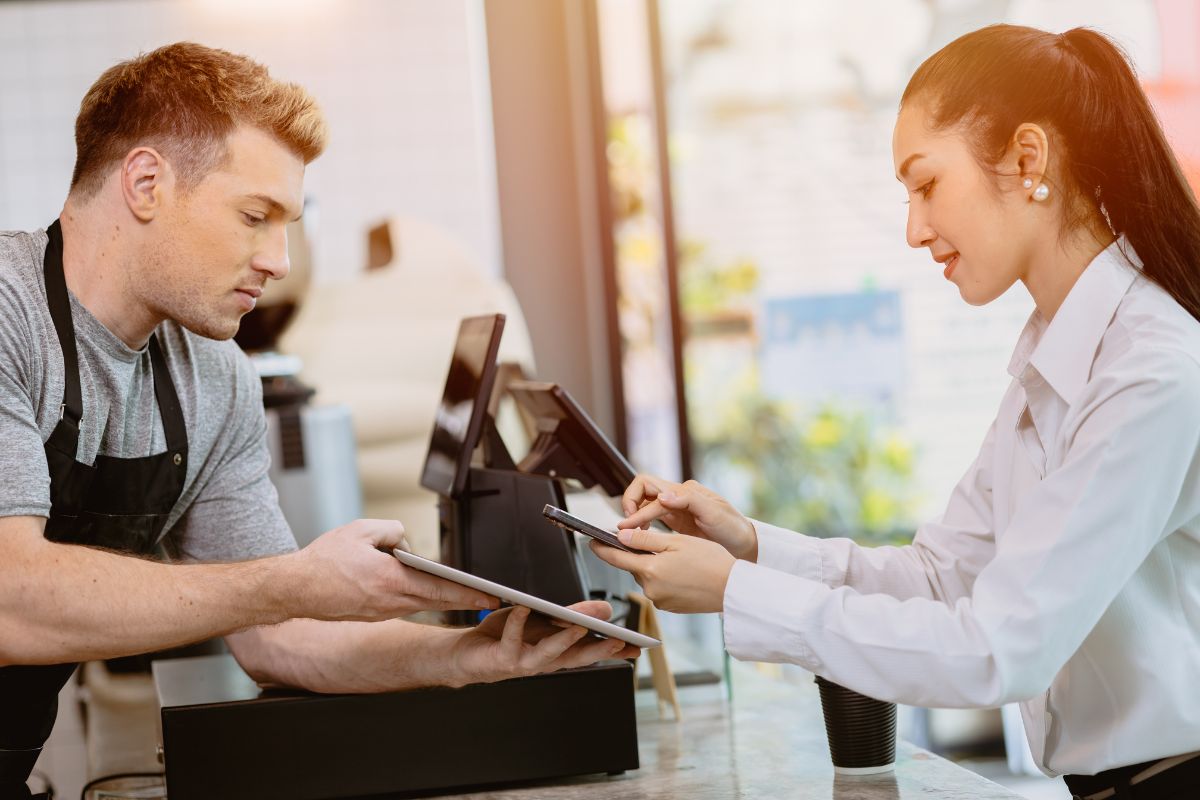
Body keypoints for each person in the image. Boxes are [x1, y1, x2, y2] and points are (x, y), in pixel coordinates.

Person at [0, 42, 637, 797]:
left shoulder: (214, 381)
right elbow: (14, 600)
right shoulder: (12, 319)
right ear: (145, 183)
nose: (279, 260)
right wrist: (294, 580)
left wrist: (465, 659)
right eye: (254, 216)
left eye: (288, 224)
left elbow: (281, 639)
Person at [592, 24, 1200, 800]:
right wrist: (745, 548)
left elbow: (997, 647)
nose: (914, 229)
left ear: (1028, 159)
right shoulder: (1056, 357)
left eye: (927, 185)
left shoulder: (1150, 370)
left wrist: (737, 593)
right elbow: (942, 576)